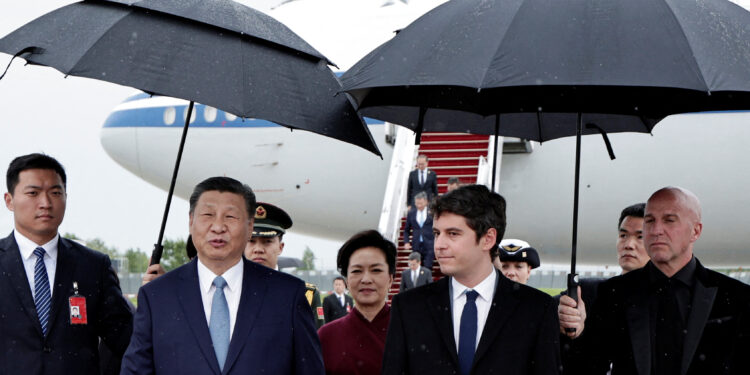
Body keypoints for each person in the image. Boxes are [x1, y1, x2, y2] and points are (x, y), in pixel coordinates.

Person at [121, 177, 324, 375]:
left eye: (230, 217)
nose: (218, 227)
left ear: (250, 225)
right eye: (208, 215)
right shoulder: (157, 297)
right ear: (191, 222)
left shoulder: (287, 295)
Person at [382, 185, 561, 375]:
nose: (439, 245)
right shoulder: (409, 307)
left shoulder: (537, 309)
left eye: (452, 234)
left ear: (488, 239)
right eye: (436, 233)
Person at [576, 187, 750, 374]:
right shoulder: (613, 293)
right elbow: (587, 365)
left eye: (669, 220)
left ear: (696, 231)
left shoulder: (737, 297)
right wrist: (571, 331)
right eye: (649, 221)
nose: (656, 230)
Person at [0, 153, 133, 374]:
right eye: (33, 193)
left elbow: (127, 339)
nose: (45, 203)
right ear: (9, 200)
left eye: (55, 193)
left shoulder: (93, 266)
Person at [557, 202, 646, 373]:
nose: (628, 244)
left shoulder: (671, 301)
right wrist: (570, 328)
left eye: (640, 237)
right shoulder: (588, 293)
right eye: (623, 235)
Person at [317, 230, 396, 375]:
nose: (366, 279)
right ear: (347, 280)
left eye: (376, 270)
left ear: (390, 279)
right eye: (357, 271)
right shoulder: (326, 336)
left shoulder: (410, 332)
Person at [245, 202, 325, 328]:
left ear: (280, 247)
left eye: (267, 242)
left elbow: (315, 345)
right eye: (251, 241)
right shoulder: (226, 291)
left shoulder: (305, 295)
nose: (258, 249)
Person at [403, 192, 435, 269]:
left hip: (429, 244)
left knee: (427, 267)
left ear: (426, 202)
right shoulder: (411, 213)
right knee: (416, 268)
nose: (419, 205)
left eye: (420, 203)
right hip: (416, 245)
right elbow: (406, 229)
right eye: (417, 203)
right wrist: (406, 242)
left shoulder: (432, 212)